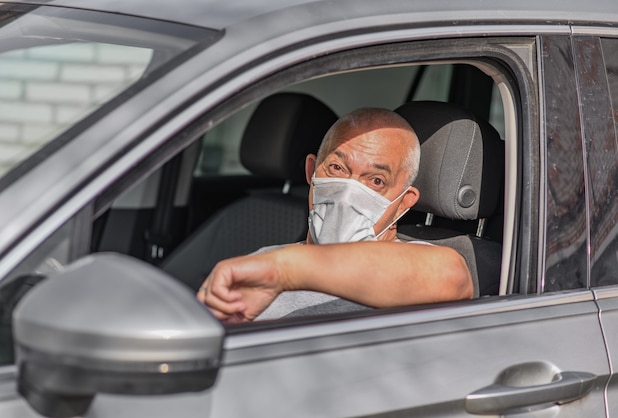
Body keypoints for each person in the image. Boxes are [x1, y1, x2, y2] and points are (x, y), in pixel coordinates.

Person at [197, 107, 474, 322]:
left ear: (404, 203)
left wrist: (284, 271)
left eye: (376, 180)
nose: (347, 192)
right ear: (311, 172)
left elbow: (453, 277)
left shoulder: (412, 270)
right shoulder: (259, 262)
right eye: (337, 169)